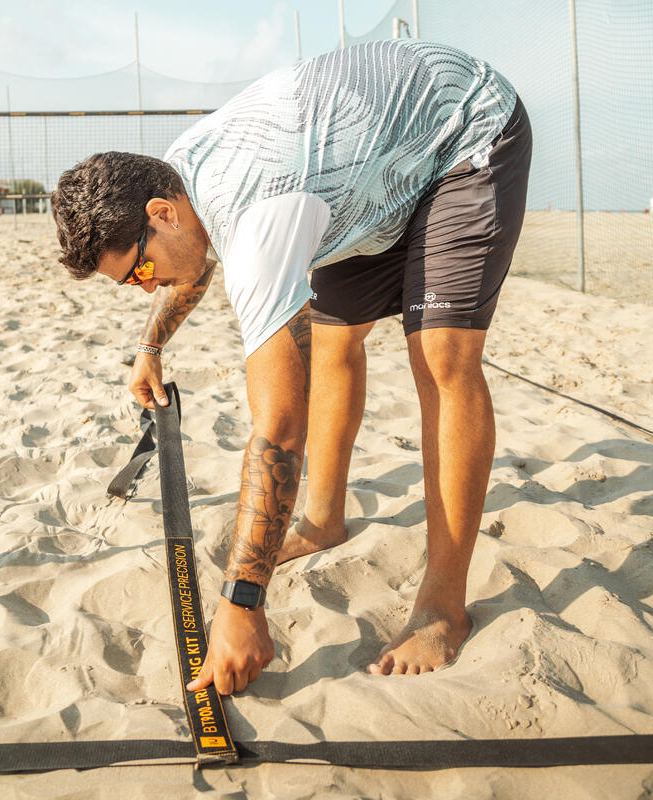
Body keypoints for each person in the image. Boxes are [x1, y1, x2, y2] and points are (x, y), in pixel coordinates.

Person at [51, 39, 532, 695]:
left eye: (137, 270)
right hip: (365, 173)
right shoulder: (180, 173)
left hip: (466, 131)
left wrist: (242, 604)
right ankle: (324, 520)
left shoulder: (259, 217)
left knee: (441, 356)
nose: (144, 285)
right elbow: (193, 259)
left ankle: (444, 605)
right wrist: (152, 344)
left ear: (159, 211)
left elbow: (277, 427)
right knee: (334, 342)